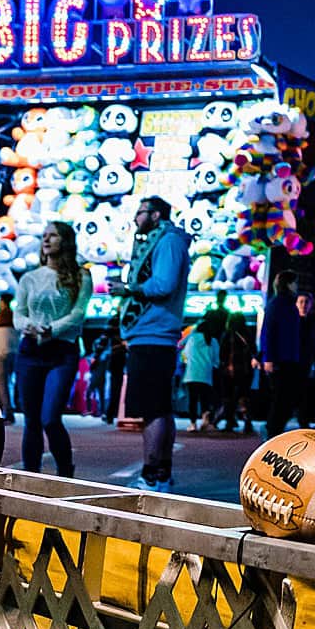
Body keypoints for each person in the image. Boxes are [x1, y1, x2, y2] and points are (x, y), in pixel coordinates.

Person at [120, 195, 191, 490]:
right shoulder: (165, 241)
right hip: (151, 333)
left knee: (153, 409)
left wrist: (129, 289)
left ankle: (151, 475)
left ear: (156, 215)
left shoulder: (169, 241)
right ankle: (161, 473)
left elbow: (164, 284)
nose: (137, 218)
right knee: (159, 407)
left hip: (155, 333)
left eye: (141, 212)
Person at [15, 224, 92, 475]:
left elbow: (78, 314)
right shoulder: (29, 277)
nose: (46, 240)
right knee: (31, 421)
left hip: (62, 351)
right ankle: (30, 478)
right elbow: (18, 313)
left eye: (53, 235)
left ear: (65, 241)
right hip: (30, 351)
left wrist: (51, 330)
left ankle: (65, 475)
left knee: (50, 418)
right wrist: (27, 325)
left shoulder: (82, 276)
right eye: (44, 236)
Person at [260, 283, 315, 433]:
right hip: (289, 365)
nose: (304, 305)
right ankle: (274, 428)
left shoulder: (312, 322)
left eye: (306, 302)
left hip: (303, 365)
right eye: (301, 302)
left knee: (302, 396)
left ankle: (302, 423)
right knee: (284, 397)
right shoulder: (291, 321)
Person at [180, 315, 219, 426]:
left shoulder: (192, 338)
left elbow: (186, 354)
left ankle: (193, 424)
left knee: (193, 400)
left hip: (192, 373)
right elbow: (216, 360)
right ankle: (205, 414)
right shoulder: (213, 341)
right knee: (204, 398)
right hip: (206, 374)